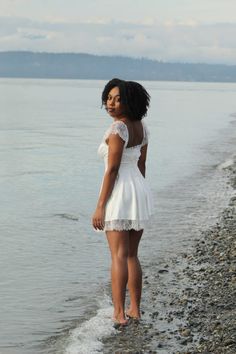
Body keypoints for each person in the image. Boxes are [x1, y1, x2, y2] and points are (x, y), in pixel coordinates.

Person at [92, 78, 154, 327]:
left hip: (120, 191)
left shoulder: (118, 129)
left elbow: (113, 169)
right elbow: (141, 165)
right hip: (138, 188)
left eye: (118, 99)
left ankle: (119, 313)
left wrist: (100, 206)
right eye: (109, 98)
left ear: (130, 101)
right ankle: (135, 309)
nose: (111, 103)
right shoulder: (142, 127)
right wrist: (140, 195)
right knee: (131, 255)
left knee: (118, 255)